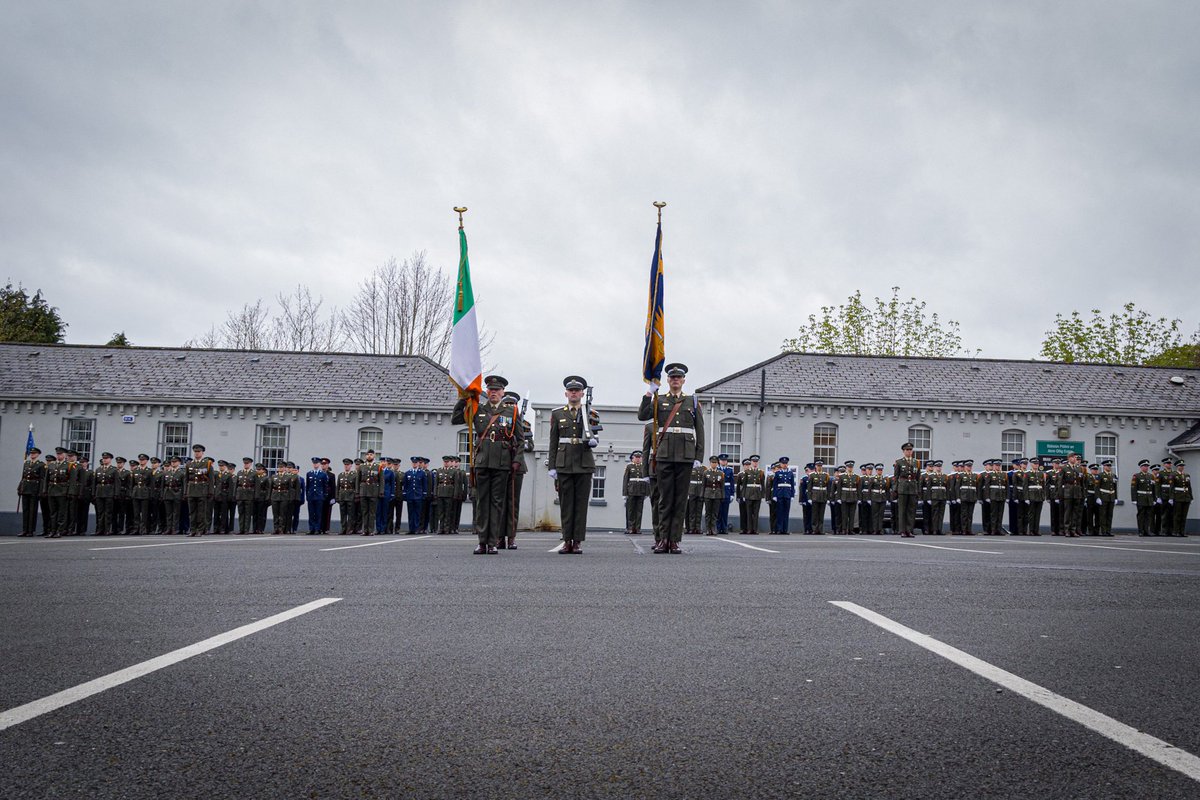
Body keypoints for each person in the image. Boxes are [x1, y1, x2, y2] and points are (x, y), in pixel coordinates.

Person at [453, 375, 525, 554]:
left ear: (503, 392)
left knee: (497, 503)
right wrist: (464, 399)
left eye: (497, 390)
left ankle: (492, 542)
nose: (494, 393)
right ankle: (482, 541)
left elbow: (521, 440)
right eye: (491, 390)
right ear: (486, 392)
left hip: (502, 463)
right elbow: (456, 419)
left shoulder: (512, 412)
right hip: (482, 461)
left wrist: (517, 459)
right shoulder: (477, 409)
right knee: (482, 502)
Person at [637, 363, 704, 554]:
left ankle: (674, 540)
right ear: (667, 380)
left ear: (683, 380)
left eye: (678, 377)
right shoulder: (659, 399)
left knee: (680, 500)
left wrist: (698, 455)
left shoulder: (692, 401)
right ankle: (662, 539)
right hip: (664, 455)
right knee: (665, 499)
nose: (675, 380)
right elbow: (642, 415)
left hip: (685, 456)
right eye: (672, 377)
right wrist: (649, 393)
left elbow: (700, 430)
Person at [549, 375, 600, 555]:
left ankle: (577, 541)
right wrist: (552, 466)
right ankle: (566, 540)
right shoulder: (557, 414)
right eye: (571, 390)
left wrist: (594, 440)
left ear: (582, 393)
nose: (574, 393)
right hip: (564, 463)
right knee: (566, 504)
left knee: (580, 505)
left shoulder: (590, 413)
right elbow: (553, 441)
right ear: (566, 393)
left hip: (584, 462)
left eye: (577, 390)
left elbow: (595, 434)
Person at [893, 443, 921, 538]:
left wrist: (918, 490)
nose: (909, 451)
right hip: (903, 488)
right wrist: (895, 490)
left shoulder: (916, 462)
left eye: (910, 450)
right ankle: (902, 531)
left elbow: (918, 477)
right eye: (907, 450)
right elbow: (896, 477)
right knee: (902, 511)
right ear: (903, 451)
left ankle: (909, 530)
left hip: (912, 488)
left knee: (911, 511)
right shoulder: (899, 462)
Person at [18, 447, 45, 536]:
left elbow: (42, 479)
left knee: (32, 510)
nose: (32, 455)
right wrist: (20, 487)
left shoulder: (40, 465)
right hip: (25, 488)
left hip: (34, 489)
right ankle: (24, 529)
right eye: (31, 453)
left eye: (34, 453)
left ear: (38, 454)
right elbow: (23, 477)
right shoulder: (26, 463)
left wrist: (40, 491)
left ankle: (30, 530)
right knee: (25, 510)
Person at [622, 450, 650, 534]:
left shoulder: (644, 467)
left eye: (639, 458)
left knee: (639, 510)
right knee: (630, 510)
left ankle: (637, 528)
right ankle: (630, 527)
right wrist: (624, 493)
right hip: (631, 490)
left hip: (641, 490)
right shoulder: (629, 466)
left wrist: (647, 492)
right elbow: (625, 480)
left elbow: (647, 480)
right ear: (632, 458)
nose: (638, 459)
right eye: (636, 458)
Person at [736, 456, 765, 534]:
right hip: (748, 494)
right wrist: (744, 495)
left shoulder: (761, 472)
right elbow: (744, 485)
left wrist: (762, 495)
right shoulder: (747, 472)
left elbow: (762, 485)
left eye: (756, 462)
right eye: (753, 462)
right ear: (751, 462)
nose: (755, 463)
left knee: (756, 513)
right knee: (748, 513)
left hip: (757, 494)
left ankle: (755, 529)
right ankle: (749, 529)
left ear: (758, 463)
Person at [356, 450, 382, 536]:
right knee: (364, 512)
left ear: (374, 456)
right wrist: (357, 492)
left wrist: (381, 492)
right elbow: (358, 480)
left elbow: (381, 480)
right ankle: (364, 530)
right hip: (363, 491)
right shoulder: (361, 466)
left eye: (371, 454)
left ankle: (371, 530)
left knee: (372, 512)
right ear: (366, 456)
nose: (369, 456)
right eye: (368, 455)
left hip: (374, 491)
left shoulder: (378, 466)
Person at [702, 455, 725, 536]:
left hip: (717, 495)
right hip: (708, 494)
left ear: (717, 464)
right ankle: (708, 529)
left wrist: (722, 496)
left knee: (715, 513)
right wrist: (702, 495)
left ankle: (713, 528)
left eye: (715, 463)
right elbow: (703, 485)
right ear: (710, 463)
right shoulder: (706, 472)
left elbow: (722, 486)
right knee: (708, 513)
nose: (714, 464)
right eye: (712, 463)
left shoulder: (721, 473)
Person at [1132, 459, 1156, 535]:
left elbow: (1153, 488)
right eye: (1145, 466)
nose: (1146, 468)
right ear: (1141, 467)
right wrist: (1134, 499)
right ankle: (1141, 531)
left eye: (1147, 466)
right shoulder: (1137, 476)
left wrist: (1154, 499)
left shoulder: (1151, 476)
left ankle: (1146, 530)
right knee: (1141, 515)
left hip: (1149, 498)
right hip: (1141, 498)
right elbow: (1133, 488)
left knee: (1148, 515)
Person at [772, 457, 795, 534]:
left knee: (786, 512)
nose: (785, 465)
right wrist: (774, 495)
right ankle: (779, 529)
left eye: (786, 463)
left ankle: (785, 529)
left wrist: (792, 495)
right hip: (780, 494)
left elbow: (792, 485)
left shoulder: (790, 473)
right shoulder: (777, 473)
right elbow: (775, 485)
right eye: (783, 463)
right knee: (780, 512)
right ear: (780, 464)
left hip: (787, 495)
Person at [808, 460, 831, 534]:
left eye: (820, 466)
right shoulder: (812, 475)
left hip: (823, 496)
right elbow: (809, 488)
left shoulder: (826, 475)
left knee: (821, 514)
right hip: (815, 496)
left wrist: (828, 498)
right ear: (815, 466)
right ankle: (814, 529)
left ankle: (820, 529)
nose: (819, 467)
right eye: (818, 466)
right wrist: (809, 498)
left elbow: (828, 487)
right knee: (815, 514)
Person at [1171, 459, 1191, 537]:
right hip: (1178, 497)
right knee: (1177, 515)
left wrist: (1191, 497)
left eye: (1182, 466)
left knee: (1184, 516)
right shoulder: (1173, 475)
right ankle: (1175, 531)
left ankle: (1182, 532)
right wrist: (1171, 498)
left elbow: (1189, 487)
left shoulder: (1187, 475)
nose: (1182, 467)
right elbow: (1171, 487)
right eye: (1180, 466)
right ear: (1177, 466)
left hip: (1186, 497)